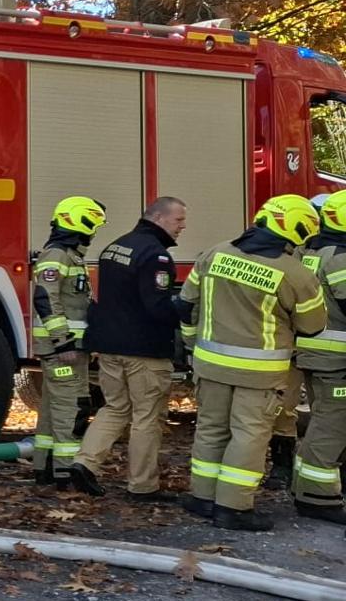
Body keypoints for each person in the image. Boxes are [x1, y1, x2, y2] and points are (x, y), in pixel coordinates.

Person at [177, 195, 326, 531]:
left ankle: (203, 497)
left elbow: (186, 305)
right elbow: (313, 325)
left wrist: (189, 346)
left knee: (211, 430)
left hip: (209, 365)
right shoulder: (294, 273)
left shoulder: (215, 253)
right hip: (259, 374)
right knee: (249, 436)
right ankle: (233, 508)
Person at [73, 197, 186, 500]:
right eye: (178, 220)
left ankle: (84, 464)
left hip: (109, 346)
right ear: (160, 218)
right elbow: (157, 306)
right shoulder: (156, 255)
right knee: (147, 417)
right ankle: (143, 485)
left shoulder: (115, 247)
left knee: (114, 408)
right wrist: (185, 310)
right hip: (144, 351)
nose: (183, 226)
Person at [31, 196, 108, 495]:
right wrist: (63, 342)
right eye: (93, 226)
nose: (93, 233)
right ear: (81, 223)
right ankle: (66, 475)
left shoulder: (67, 255)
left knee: (52, 412)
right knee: (71, 411)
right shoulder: (57, 256)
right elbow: (45, 299)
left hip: (64, 349)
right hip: (63, 350)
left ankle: (46, 469)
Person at [288, 191, 346, 525]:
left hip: (315, 355)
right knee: (333, 423)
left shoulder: (309, 250)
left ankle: (306, 487)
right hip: (336, 362)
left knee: (324, 419)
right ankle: (317, 497)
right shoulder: (339, 258)